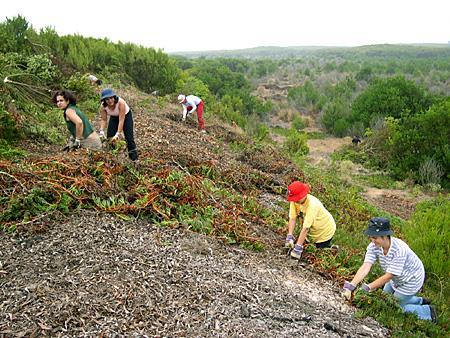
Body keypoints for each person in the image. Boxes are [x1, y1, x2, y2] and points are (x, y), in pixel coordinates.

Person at [342, 217, 436, 322]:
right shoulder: (374, 246)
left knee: (393, 307)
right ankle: (420, 300)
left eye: (375, 238)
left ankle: (428, 312)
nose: (372, 241)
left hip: (412, 279)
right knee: (385, 297)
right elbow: (365, 266)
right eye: (371, 237)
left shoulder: (399, 250)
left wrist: (367, 288)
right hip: (396, 277)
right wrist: (351, 286)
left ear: (385, 236)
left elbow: (388, 276)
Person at [285, 181, 336, 259]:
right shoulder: (295, 201)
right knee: (308, 247)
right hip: (312, 230)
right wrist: (290, 236)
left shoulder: (312, 205)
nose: (295, 200)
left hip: (325, 230)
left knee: (319, 253)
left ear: (304, 194)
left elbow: (305, 228)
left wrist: (298, 248)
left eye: (297, 198)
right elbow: (292, 218)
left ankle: (331, 250)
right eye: (294, 198)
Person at [99, 88, 138, 161]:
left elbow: (121, 120)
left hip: (125, 117)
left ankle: (134, 158)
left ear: (114, 97)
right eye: (107, 99)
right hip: (114, 117)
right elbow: (104, 119)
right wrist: (101, 131)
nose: (110, 101)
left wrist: (117, 134)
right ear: (104, 100)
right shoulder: (103, 106)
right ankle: (113, 156)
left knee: (129, 138)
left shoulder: (121, 103)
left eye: (111, 98)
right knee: (110, 137)